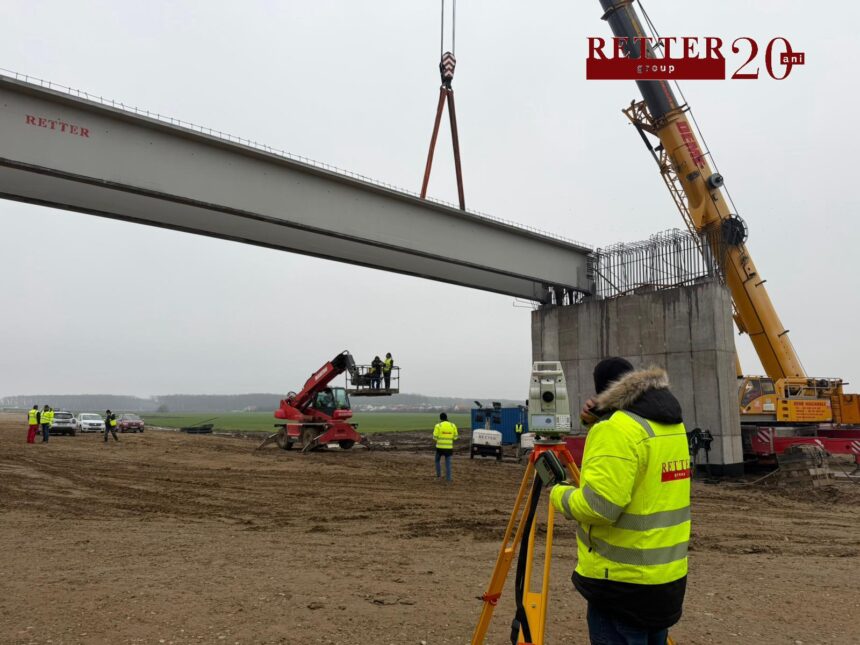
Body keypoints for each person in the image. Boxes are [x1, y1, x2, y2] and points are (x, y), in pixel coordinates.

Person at [549, 357, 691, 645]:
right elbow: (633, 465)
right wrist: (600, 419)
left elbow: (598, 507)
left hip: (621, 584)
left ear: (604, 391)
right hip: (665, 579)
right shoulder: (669, 425)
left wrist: (558, 494)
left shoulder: (615, 430)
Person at [433, 412, 458, 482]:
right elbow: (456, 437)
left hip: (439, 448)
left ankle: (438, 475)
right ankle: (449, 479)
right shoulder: (453, 425)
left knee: (437, 461)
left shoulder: (438, 426)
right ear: (447, 417)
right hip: (449, 448)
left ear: (440, 418)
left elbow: (435, 437)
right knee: (448, 463)